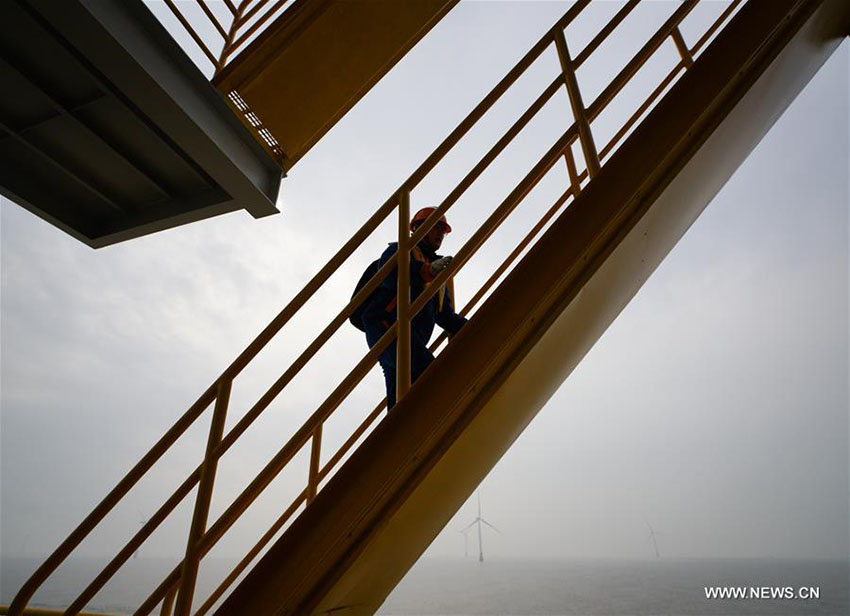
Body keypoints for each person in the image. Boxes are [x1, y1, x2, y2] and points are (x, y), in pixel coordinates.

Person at [361, 207, 467, 409]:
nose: (440, 234)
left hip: (410, 338)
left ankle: (394, 438)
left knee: (400, 396)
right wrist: (427, 271)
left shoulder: (438, 267)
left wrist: (474, 328)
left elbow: (445, 316)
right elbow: (392, 277)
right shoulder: (401, 251)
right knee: (429, 373)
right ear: (417, 228)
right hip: (387, 329)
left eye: (443, 231)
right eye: (436, 228)